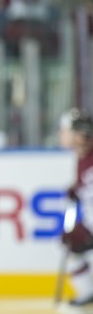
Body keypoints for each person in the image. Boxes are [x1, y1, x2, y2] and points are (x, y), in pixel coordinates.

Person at [60, 109, 93, 307]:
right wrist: (76, 190)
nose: (62, 135)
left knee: (79, 244)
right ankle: (86, 293)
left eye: (66, 130)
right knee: (74, 244)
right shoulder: (82, 157)